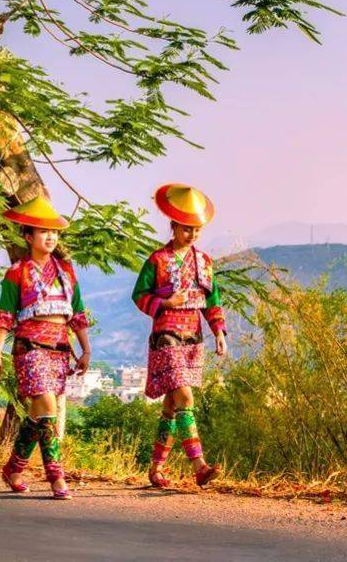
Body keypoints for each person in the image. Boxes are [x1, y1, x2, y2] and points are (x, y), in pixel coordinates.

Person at [0, 196, 91, 500]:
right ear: (28, 236)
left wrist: (86, 349)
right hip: (30, 346)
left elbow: (78, 312)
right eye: (43, 231)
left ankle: (13, 468)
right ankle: (56, 476)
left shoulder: (67, 273)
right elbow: (5, 316)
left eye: (54, 232)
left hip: (58, 347)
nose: (50, 237)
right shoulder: (16, 273)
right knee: (46, 406)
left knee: (39, 413)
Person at [132, 184, 227, 489]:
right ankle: (199, 466)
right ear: (173, 226)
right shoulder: (157, 261)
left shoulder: (205, 262)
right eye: (186, 228)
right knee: (186, 396)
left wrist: (219, 333)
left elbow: (212, 301)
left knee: (172, 405)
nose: (191, 234)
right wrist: (164, 303)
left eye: (196, 229)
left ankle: (156, 468)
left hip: (193, 338)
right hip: (166, 335)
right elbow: (139, 295)